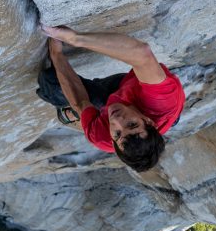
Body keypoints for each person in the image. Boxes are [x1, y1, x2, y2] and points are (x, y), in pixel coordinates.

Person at [37, 25, 185, 172]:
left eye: (118, 134)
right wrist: (76, 38)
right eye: (132, 124)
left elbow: (80, 102)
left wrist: (56, 54)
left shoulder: (102, 138)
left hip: (123, 101)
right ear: (147, 121)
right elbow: (142, 54)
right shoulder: (160, 101)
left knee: (52, 82)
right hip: (134, 92)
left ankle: (76, 117)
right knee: (106, 99)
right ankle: (85, 115)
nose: (117, 120)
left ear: (113, 143)